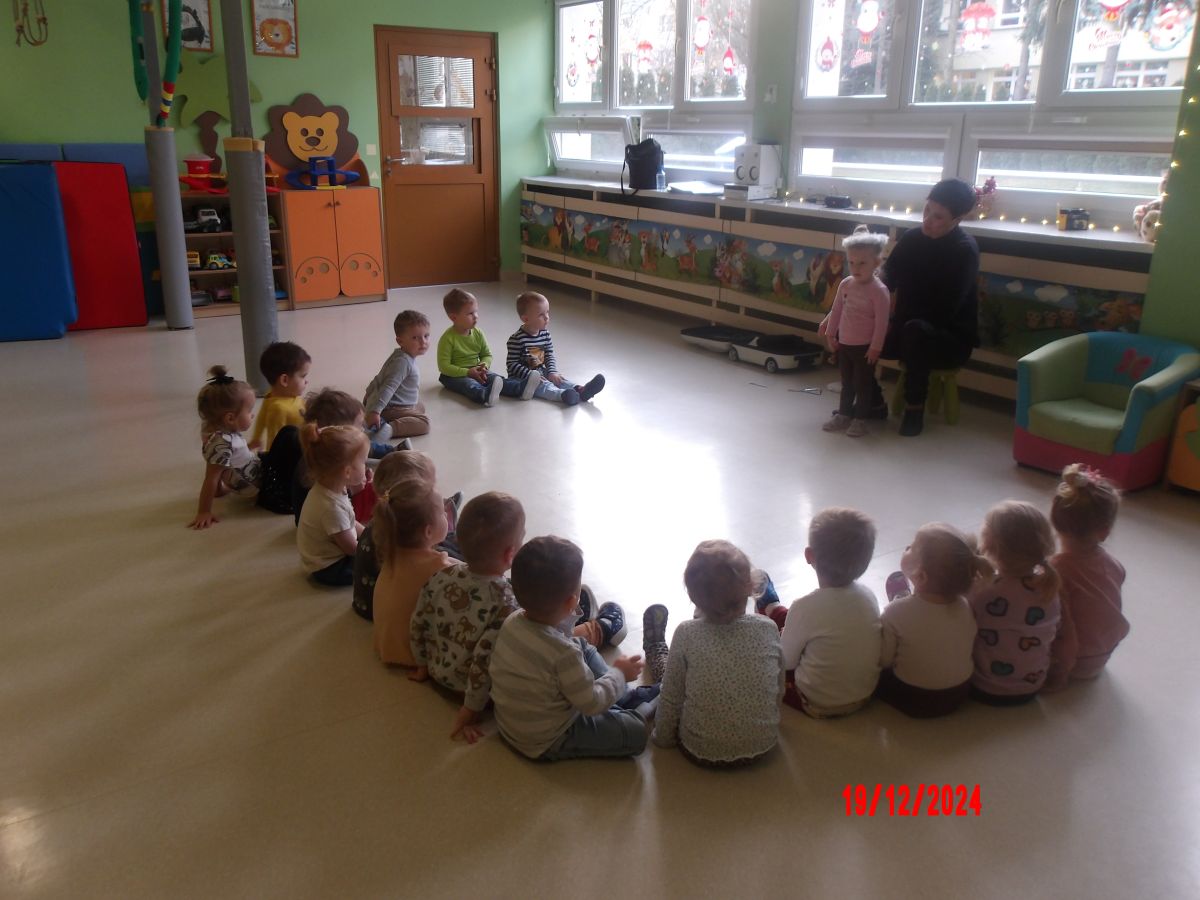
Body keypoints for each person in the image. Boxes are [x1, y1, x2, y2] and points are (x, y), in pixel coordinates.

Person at [489, 536, 656, 761]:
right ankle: (631, 703)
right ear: (570, 602)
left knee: (581, 645)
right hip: (548, 738)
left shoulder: (512, 620)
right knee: (636, 732)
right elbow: (591, 704)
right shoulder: (563, 654)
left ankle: (620, 696)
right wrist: (619, 673)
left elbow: (557, 641)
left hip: (511, 723)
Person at [651, 540, 784, 767]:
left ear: (693, 598)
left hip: (701, 750)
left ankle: (655, 648)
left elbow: (671, 696)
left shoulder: (686, 633)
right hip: (764, 745)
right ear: (751, 587)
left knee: (667, 675)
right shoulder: (768, 627)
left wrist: (662, 737)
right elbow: (778, 685)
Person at [409, 492, 526, 740]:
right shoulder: (506, 603)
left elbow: (419, 621)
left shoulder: (442, 576)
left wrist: (422, 665)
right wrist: (470, 710)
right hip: (468, 693)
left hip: (435, 671)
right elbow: (484, 660)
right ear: (510, 555)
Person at [879, 178, 981, 437]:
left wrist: (898, 323)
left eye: (938, 217)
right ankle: (869, 397)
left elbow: (945, 310)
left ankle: (914, 409)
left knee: (916, 332)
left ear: (957, 219)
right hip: (906, 326)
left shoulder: (963, 250)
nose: (927, 220)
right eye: (927, 210)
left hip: (946, 337)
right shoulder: (912, 238)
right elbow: (888, 276)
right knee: (855, 317)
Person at [758, 508, 882, 718]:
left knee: (767, 648)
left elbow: (786, 661)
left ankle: (769, 607)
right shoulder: (869, 596)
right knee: (815, 625)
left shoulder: (804, 607)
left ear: (809, 556)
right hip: (864, 694)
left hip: (815, 701)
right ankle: (773, 608)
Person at [878, 523, 993, 717]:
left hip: (912, 698)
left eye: (911, 547)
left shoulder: (894, 612)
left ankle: (903, 598)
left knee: (874, 672)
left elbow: (885, 660)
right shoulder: (966, 607)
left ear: (921, 576)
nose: (907, 547)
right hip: (959, 694)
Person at [352, 450, 464, 622]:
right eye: (441, 510)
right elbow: (463, 576)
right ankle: (450, 525)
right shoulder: (429, 564)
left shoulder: (384, 523)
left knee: (450, 544)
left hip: (366, 606)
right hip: (398, 624)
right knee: (456, 543)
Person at [968, 501, 1062, 705]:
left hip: (984, 687)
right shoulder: (1048, 588)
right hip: (1032, 687)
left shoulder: (984, 591)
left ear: (987, 545)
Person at [1046, 464, 1129, 689]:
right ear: (1105, 531)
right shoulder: (1114, 564)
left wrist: (1061, 671)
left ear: (1054, 521)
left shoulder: (1056, 569)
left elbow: (1064, 628)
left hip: (1075, 660)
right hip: (1105, 651)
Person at [372, 475, 455, 667]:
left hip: (385, 644)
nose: (446, 515)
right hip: (412, 654)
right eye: (443, 512)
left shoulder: (391, 552)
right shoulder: (437, 567)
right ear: (428, 531)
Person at [819, 227, 891, 437]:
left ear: (876, 263)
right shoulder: (845, 284)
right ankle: (844, 414)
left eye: (862, 263)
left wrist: (875, 348)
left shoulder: (879, 291)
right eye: (851, 263)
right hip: (845, 344)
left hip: (865, 348)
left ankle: (860, 419)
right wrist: (831, 334)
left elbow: (882, 323)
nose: (855, 268)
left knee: (862, 384)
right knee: (847, 383)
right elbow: (836, 311)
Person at [292, 389, 390, 527]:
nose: (363, 430)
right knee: (377, 494)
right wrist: (352, 490)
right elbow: (329, 501)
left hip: (331, 508)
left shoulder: (331, 451)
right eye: (358, 425)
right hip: (325, 521)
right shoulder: (317, 465)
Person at [436, 288, 538, 407]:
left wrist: (483, 366)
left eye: (476, 312)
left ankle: (520, 388)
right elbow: (444, 366)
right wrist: (467, 372)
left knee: (496, 379)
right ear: (454, 317)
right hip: (453, 375)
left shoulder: (478, 333)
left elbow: (486, 355)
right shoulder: (447, 339)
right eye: (470, 313)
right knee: (469, 384)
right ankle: (484, 395)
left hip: (476, 369)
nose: (476, 316)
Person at [296, 423, 370, 587]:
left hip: (326, 556)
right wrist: (374, 549)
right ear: (347, 472)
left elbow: (350, 522)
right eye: (364, 462)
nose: (366, 466)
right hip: (329, 568)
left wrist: (368, 534)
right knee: (377, 565)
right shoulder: (331, 508)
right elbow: (352, 549)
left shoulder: (330, 488)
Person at [189, 366, 261, 529]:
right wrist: (204, 512)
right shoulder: (221, 443)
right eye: (249, 411)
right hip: (258, 487)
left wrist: (250, 446)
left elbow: (233, 458)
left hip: (254, 473)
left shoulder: (222, 433)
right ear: (230, 418)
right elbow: (211, 477)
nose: (252, 415)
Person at [505, 291, 605, 406]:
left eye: (547, 312)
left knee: (558, 379)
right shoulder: (516, 339)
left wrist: (552, 371)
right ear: (526, 319)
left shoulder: (545, 334)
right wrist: (531, 375)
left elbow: (549, 355)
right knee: (544, 386)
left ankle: (580, 390)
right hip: (522, 378)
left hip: (540, 371)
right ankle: (562, 395)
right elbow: (512, 364)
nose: (546, 317)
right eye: (541, 315)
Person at [363, 309, 433, 442]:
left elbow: (379, 377)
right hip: (391, 408)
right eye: (415, 338)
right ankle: (388, 429)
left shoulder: (400, 355)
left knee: (420, 406)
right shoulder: (403, 362)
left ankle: (384, 417)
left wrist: (368, 396)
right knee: (425, 423)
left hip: (392, 405)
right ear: (400, 341)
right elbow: (388, 387)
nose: (423, 341)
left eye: (426, 336)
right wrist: (375, 411)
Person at [247, 341, 310, 451]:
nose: (306, 381)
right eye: (303, 376)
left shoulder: (278, 395)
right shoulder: (278, 408)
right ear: (284, 380)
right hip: (292, 455)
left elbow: (261, 417)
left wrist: (256, 437)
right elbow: (275, 439)